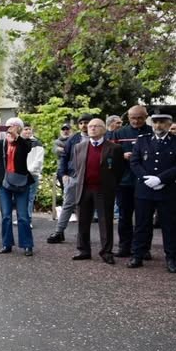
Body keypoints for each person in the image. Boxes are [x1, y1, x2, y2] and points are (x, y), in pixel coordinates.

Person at [128, 113, 176, 272]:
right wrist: (146, 178)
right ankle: (137, 255)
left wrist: (161, 179)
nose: (158, 125)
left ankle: (172, 258)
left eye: (162, 122)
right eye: (155, 122)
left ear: (169, 124)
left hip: (168, 189)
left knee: (170, 226)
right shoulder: (143, 140)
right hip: (145, 189)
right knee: (141, 224)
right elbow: (135, 162)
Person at [70, 118, 124, 264]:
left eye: (96, 126)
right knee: (83, 221)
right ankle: (83, 250)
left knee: (105, 222)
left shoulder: (114, 148)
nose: (92, 128)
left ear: (104, 129)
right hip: (84, 188)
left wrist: (111, 184)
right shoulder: (79, 147)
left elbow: (119, 170)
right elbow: (77, 167)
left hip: (103, 189)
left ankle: (106, 252)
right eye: (90, 126)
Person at [0, 118, 35, 256]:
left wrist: (16, 136)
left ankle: (27, 245)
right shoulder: (2, 143)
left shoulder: (25, 142)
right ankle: (7, 244)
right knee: (6, 215)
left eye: (14, 126)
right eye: (8, 126)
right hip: (4, 181)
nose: (10, 128)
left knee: (22, 216)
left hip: (21, 182)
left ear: (19, 128)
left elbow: (26, 149)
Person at [111, 105, 150, 257]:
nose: (136, 121)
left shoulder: (151, 132)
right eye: (133, 118)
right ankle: (124, 247)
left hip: (145, 181)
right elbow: (109, 154)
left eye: (140, 118)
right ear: (128, 117)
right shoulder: (119, 133)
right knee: (124, 216)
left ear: (146, 117)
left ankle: (143, 249)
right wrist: (121, 155)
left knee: (144, 217)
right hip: (124, 181)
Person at [48, 114, 92, 243]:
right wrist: (63, 174)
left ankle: (83, 235)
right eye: (81, 123)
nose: (84, 125)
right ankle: (59, 232)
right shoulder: (73, 138)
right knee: (68, 204)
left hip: (91, 177)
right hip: (74, 176)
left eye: (86, 122)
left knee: (87, 207)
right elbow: (64, 157)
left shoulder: (98, 138)